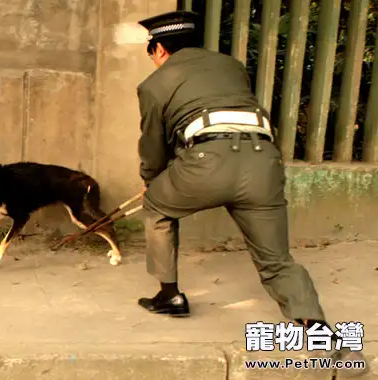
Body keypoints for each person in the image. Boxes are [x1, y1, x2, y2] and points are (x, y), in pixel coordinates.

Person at [135, 10, 368, 376]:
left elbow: (153, 144)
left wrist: (150, 178)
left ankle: (170, 295)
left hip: (205, 164)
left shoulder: (155, 82)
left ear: (159, 49)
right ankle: (331, 346)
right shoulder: (231, 66)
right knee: (277, 262)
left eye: (152, 53)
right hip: (263, 163)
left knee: (157, 207)